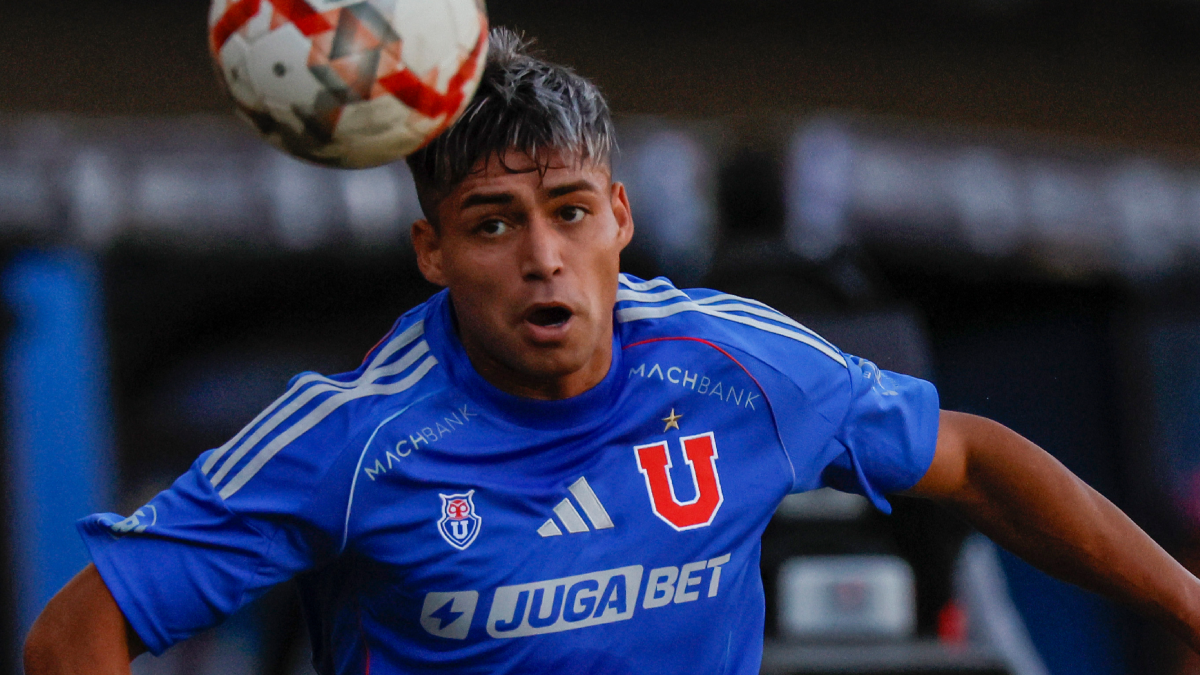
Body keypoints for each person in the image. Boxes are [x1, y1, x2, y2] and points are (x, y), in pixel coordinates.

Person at [23, 28, 1200, 675]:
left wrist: (1192, 609)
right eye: (495, 223)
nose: (543, 256)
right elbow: (78, 631)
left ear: (622, 219)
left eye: (571, 212)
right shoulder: (350, 436)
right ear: (432, 251)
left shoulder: (737, 366)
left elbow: (975, 458)